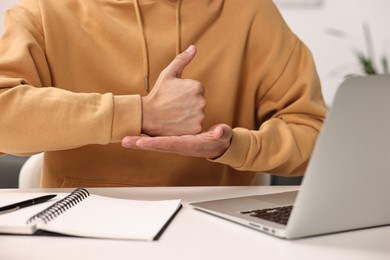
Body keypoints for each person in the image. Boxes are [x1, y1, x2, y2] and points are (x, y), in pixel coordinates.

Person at [0, 0, 327, 188]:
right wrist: (139, 113)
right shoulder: (45, 11)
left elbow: (315, 136)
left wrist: (236, 146)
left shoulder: (251, 12)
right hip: (79, 231)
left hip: (215, 234)